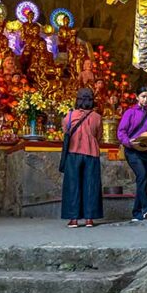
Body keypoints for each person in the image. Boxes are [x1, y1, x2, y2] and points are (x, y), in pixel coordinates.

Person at [117, 85, 147, 222]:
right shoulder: (130, 113)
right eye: (143, 96)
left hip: (146, 151)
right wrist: (129, 142)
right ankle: (146, 207)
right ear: (137, 97)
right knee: (141, 175)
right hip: (132, 151)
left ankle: (137, 213)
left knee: (142, 181)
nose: (146, 99)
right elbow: (121, 132)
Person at [61, 88, 103, 228]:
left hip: (73, 153)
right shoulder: (97, 117)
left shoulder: (69, 116)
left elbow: (66, 132)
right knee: (91, 185)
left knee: (73, 185)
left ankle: (73, 219)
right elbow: (98, 136)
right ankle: (89, 219)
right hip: (92, 154)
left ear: (77, 100)